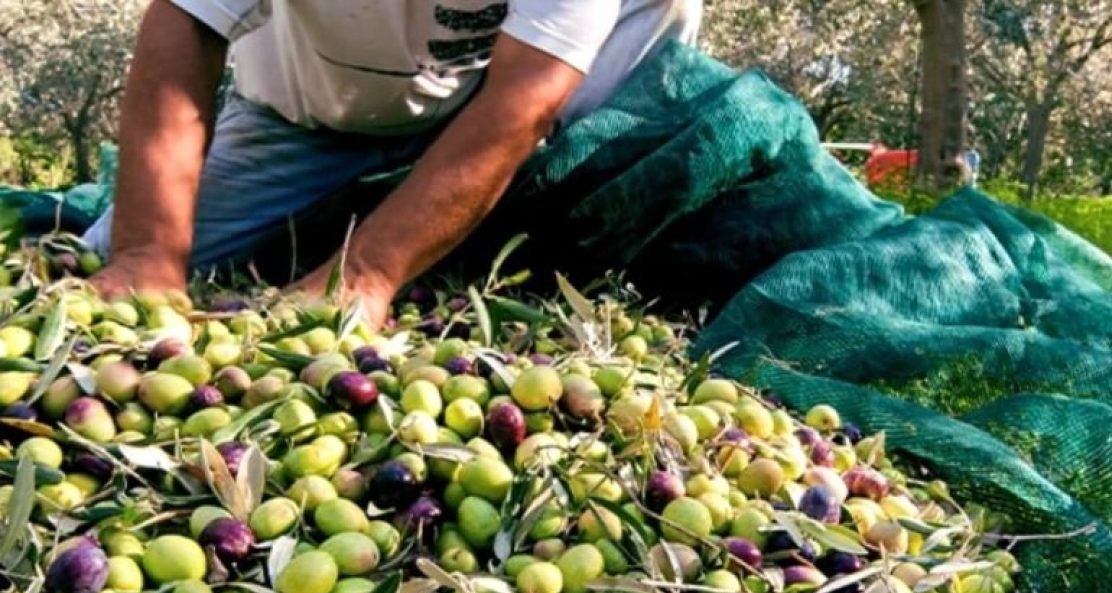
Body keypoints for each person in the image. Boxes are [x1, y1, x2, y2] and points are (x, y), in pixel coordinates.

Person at [86, 0, 702, 326]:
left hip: (478, 106)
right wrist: (148, 252)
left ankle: (503, 214)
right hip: (310, 120)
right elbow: (185, 21)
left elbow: (524, 100)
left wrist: (367, 274)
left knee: (572, 221)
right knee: (110, 248)